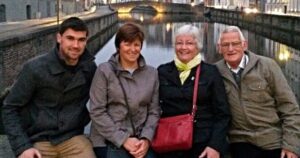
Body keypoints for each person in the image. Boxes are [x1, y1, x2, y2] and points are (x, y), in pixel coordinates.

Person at [2, 17, 97, 158]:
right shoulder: (35, 68)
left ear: (86, 41)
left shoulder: (89, 68)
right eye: (70, 38)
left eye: (81, 40)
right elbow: (10, 108)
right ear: (59, 38)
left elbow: (105, 99)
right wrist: (22, 147)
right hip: (39, 140)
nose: (76, 45)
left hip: (73, 138)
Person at [216, 26, 300, 158]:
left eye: (235, 44)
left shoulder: (267, 66)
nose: (231, 49)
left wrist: (291, 145)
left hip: (273, 139)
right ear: (219, 48)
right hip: (240, 141)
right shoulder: (215, 72)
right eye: (225, 45)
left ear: (244, 45)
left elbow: (289, 107)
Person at [157, 24, 231, 158]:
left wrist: (214, 146)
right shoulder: (162, 71)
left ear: (198, 46)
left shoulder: (210, 72)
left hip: (202, 143)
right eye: (179, 43)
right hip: (170, 142)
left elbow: (223, 114)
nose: (183, 47)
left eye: (189, 43)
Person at [89, 22, 160, 158]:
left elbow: (154, 111)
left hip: (140, 139)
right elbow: (97, 111)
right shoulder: (105, 71)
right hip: (108, 139)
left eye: (136, 45)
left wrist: (146, 139)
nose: (132, 49)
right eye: (127, 44)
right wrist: (123, 140)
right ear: (118, 46)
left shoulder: (151, 73)